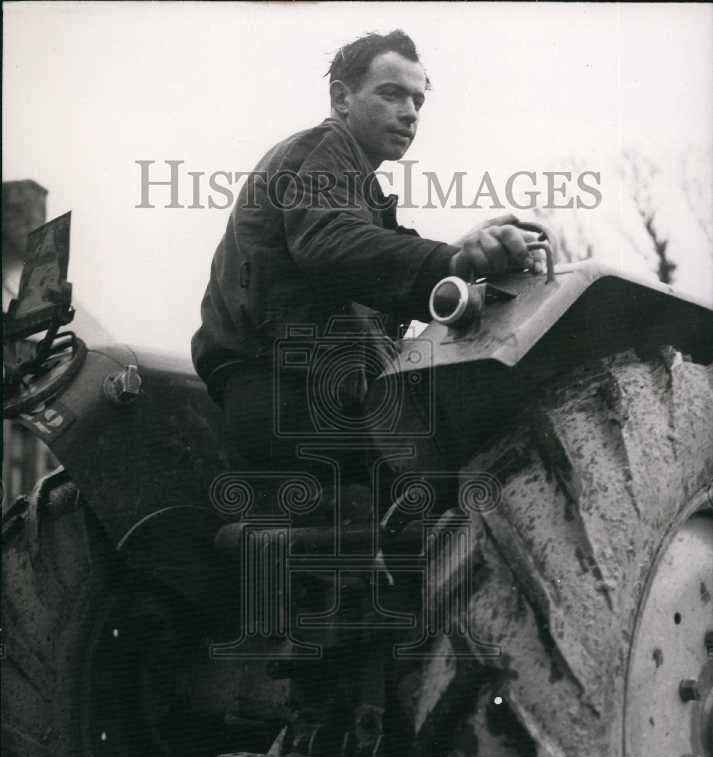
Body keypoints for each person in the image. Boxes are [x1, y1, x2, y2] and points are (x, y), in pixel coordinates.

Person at [191, 29, 541, 474]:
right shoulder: (323, 148)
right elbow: (329, 240)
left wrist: (462, 253)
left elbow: (369, 251)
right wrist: (455, 262)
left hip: (294, 393)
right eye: (392, 95)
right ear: (342, 98)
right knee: (473, 463)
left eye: (418, 101)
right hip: (290, 393)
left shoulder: (354, 183)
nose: (410, 114)